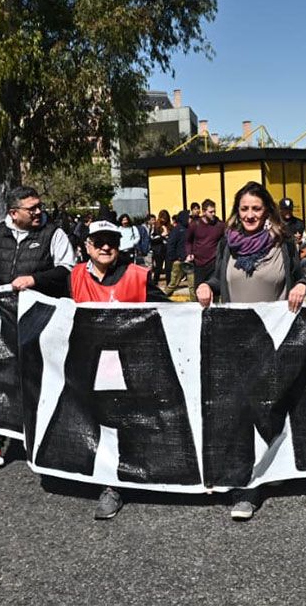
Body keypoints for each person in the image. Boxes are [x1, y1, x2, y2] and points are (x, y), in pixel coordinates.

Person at [195, 181, 306, 521]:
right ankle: (245, 483)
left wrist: (302, 284)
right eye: (244, 209)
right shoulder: (226, 243)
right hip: (233, 340)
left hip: (272, 340)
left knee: (267, 410)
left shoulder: (283, 242)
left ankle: (268, 473)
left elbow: (300, 274)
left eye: (256, 209)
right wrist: (205, 285)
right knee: (237, 411)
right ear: (236, 211)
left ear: (267, 211)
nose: (249, 215)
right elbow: (217, 280)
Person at [0, 186, 76, 464]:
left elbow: (67, 270)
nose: (39, 212)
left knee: (47, 379)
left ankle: (58, 443)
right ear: (14, 213)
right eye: (32, 209)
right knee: (4, 378)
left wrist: (34, 280)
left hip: (44, 320)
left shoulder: (55, 233)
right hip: (6, 319)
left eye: (40, 206)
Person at [69, 219, 170, 519]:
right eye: (98, 240)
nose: (105, 246)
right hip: (91, 372)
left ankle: (128, 481)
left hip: (132, 371)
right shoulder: (73, 276)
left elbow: (169, 310)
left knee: (131, 427)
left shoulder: (138, 275)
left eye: (111, 240)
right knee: (101, 428)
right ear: (87, 246)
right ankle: (110, 484)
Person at [185, 199, 224, 302]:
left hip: (214, 264)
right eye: (211, 212)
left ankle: (215, 315)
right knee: (199, 295)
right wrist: (189, 254)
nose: (213, 214)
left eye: (214, 211)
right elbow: (188, 241)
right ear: (203, 212)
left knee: (214, 293)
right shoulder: (195, 224)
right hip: (199, 264)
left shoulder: (219, 225)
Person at [162, 210, 189, 296]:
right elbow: (171, 245)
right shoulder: (177, 230)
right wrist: (174, 258)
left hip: (188, 261)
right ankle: (162, 298)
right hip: (179, 261)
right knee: (173, 284)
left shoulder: (188, 229)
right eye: (188, 217)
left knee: (192, 285)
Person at [149, 210, 172, 285]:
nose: (164, 220)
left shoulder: (170, 226)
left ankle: (168, 283)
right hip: (159, 249)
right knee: (158, 267)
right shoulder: (155, 226)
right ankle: (155, 282)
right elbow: (152, 239)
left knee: (168, 267)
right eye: (162, 218)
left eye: (165, 218)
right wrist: (162, 236)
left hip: (168, 249)